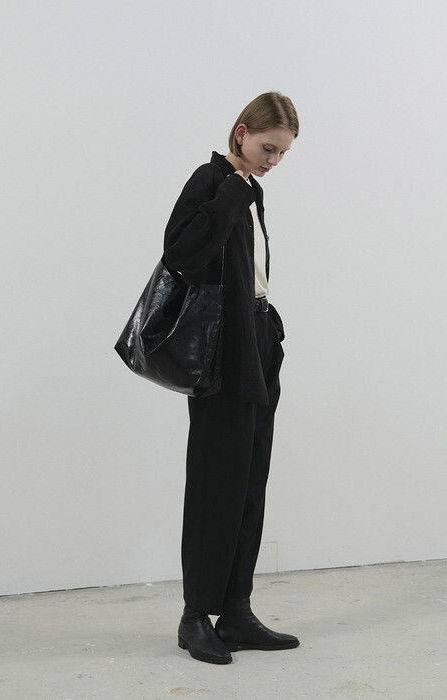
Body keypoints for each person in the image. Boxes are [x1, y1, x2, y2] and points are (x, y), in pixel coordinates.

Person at [163, 91, 300, 665]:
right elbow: (180, 253)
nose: (274, 160)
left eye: (283, 153)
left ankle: (236, 611)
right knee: (215, 481)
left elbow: (249, 272)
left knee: (249, 480)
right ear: (241, 132)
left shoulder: (250, 190)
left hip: (258, 341)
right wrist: (231, 194)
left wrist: (270, 327)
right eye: (269, 148)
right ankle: (195, 616)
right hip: (223, 354)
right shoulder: (212, 181)